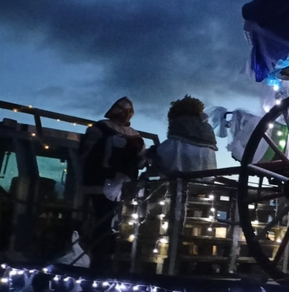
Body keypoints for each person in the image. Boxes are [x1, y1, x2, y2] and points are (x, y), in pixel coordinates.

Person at [80, 97, 146, 272]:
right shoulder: (100, 128)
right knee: (101, 219)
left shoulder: (135, 135)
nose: (126, 114)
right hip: (101, 182)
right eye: (123, 111)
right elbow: (86, 152)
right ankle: (97, 259)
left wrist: (144, 159)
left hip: (125, 185)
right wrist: (107, 143)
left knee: (121, 224)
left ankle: (113, 258)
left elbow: (140, 159)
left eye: (129, 111)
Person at [148, 95, 218, 176]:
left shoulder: (175, 143)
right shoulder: (208, 142)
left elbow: (165, 161)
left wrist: (152, 152)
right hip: (206, 183)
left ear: (174, 119)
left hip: (179, 183)